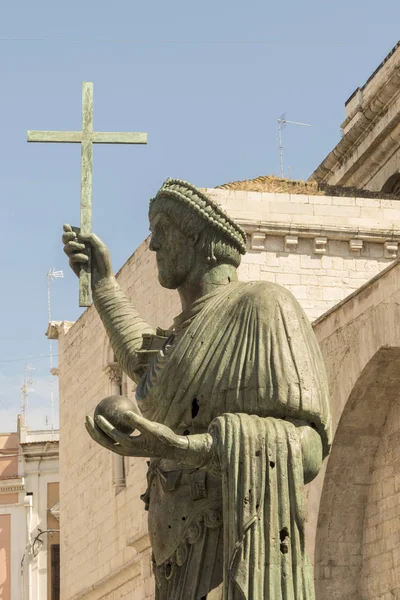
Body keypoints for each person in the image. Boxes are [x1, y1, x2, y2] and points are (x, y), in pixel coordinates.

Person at [63, 179, 331, 600]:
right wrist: (102, 284)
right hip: (175, 564)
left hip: (235, 545)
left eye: (163, 230)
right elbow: (142, 359)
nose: (152, 246)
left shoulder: (263, 306)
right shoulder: (176, 342)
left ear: (203, 240)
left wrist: (186, 448)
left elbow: (310, 450)